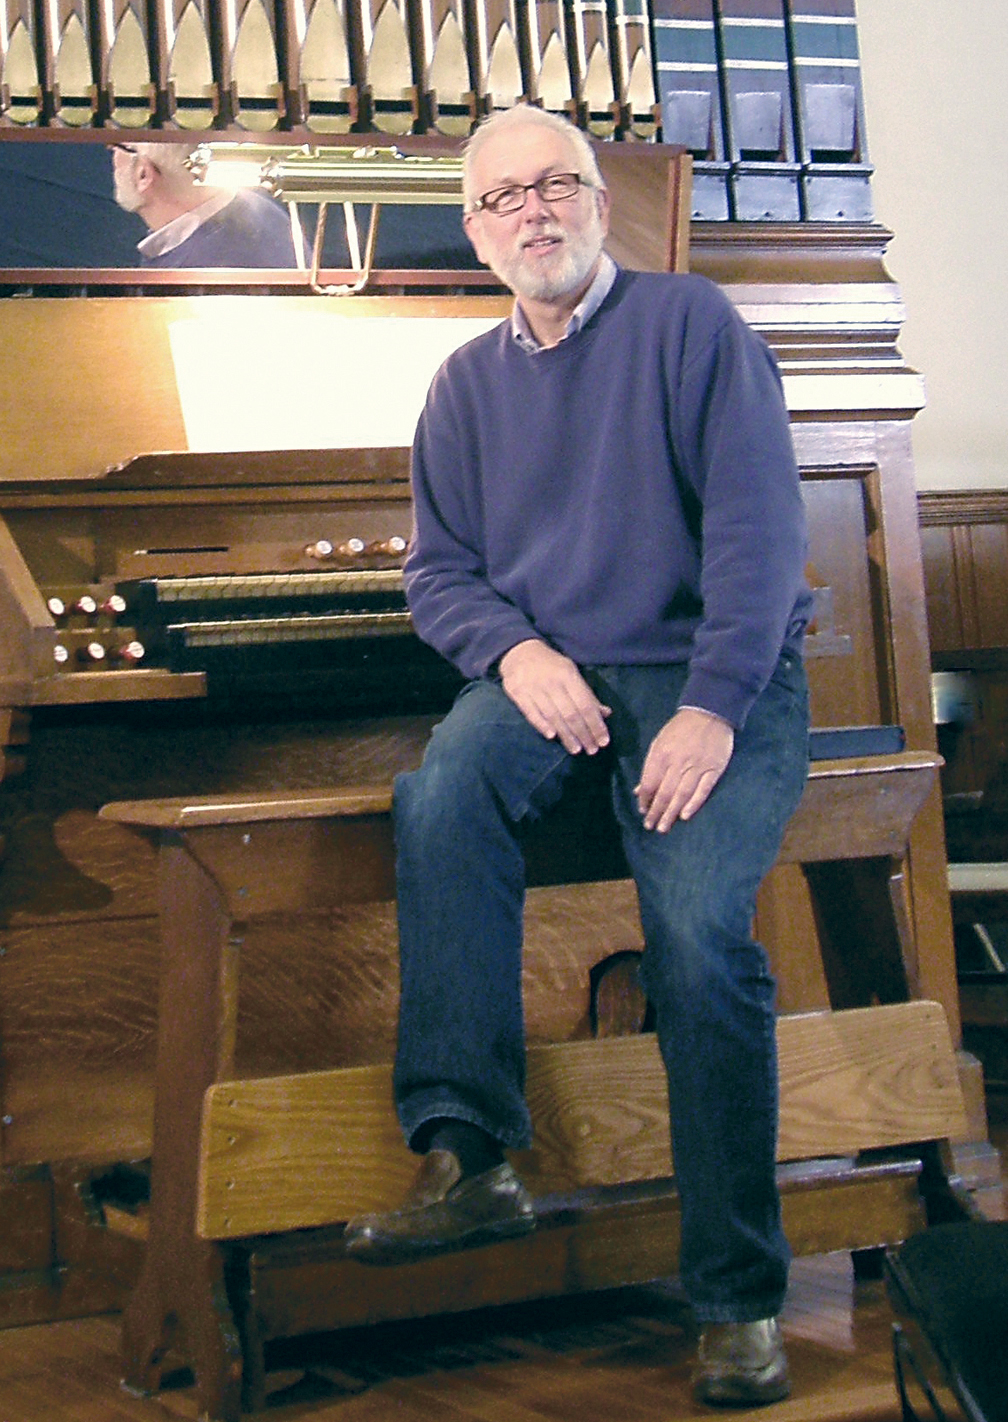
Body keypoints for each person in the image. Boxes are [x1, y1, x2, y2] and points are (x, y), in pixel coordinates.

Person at [343, 103, 813, 1408]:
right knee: (441, 798)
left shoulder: (690, 325)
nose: (533, 212)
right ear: (479, 231)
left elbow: (761, 541)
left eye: (556, 186)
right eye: (504, 199)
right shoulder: (464, 385)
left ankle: (738, 1297)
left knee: (697, 930)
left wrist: (714, 704)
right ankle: (468, 1153)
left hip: (720, 671)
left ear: (599, 204)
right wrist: (512, 651)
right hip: (557, 669)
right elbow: (438, 573)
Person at [111, 142, 298, 268]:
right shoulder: (258, 207)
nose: (112, 151)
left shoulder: (196, 272)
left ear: (144, 175)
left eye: (120, 146)